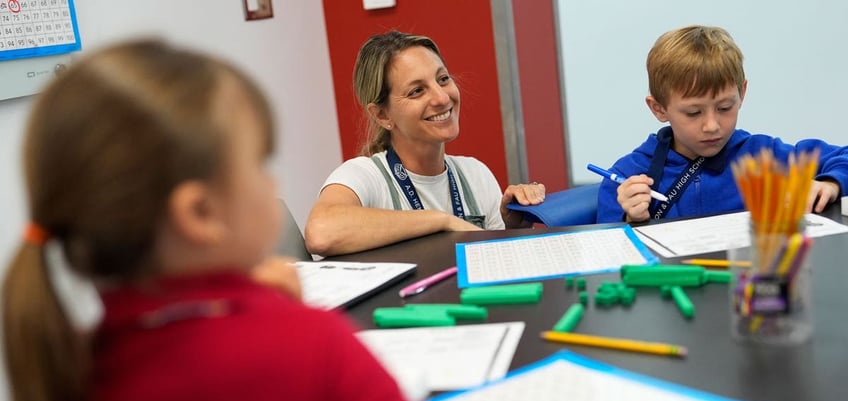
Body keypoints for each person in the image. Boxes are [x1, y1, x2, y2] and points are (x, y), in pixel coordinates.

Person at [1, 40, 471, 401]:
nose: (273, 185)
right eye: (257, 164)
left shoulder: (72, 367)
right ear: (200, 213)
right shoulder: (308, 346)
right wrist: (290, 323)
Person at [305, 30, 545, 257]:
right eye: (417, 91)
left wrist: (514, 229)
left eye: (442, 79)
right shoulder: (365, 175)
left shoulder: (475, 174)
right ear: (382, 115)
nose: (442, 98)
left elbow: (494, 266)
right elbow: (321, 232)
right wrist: (440, 221)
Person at [596, 25, 848, 224]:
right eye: (694, 112)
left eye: (725, 107)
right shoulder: (628, 175)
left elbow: (842, 157)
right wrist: (631, 219)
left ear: (742, 93)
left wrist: (830, 182)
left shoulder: (764, 155)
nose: (712, 125)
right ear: (659, 108)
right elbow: (605, 253)